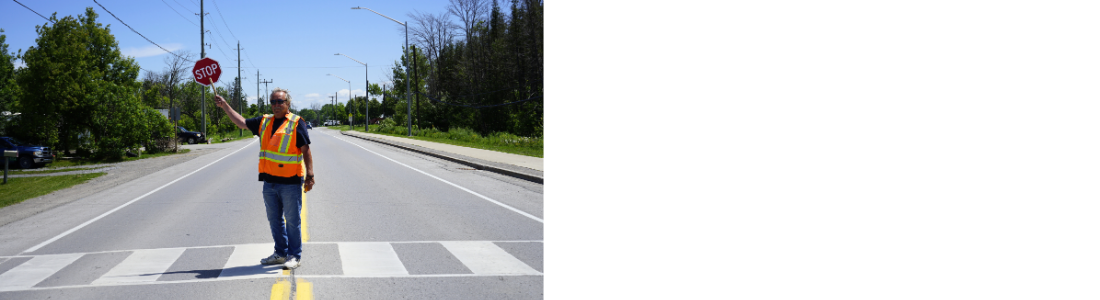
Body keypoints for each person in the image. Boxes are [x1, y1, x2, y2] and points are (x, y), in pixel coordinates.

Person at [214, 88, 315, 269]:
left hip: (290, 182)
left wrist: (310, 175)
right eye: (273, 102)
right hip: (270, 182)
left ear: (287, 104)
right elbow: (242, 123)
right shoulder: (264, 121)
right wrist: (225, 106)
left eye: (280, 102)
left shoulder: (296, 122)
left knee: (292, 221)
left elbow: (306, 150)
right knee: (274, 220)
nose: (276, 105)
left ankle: (294, 256)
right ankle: (280, 253)